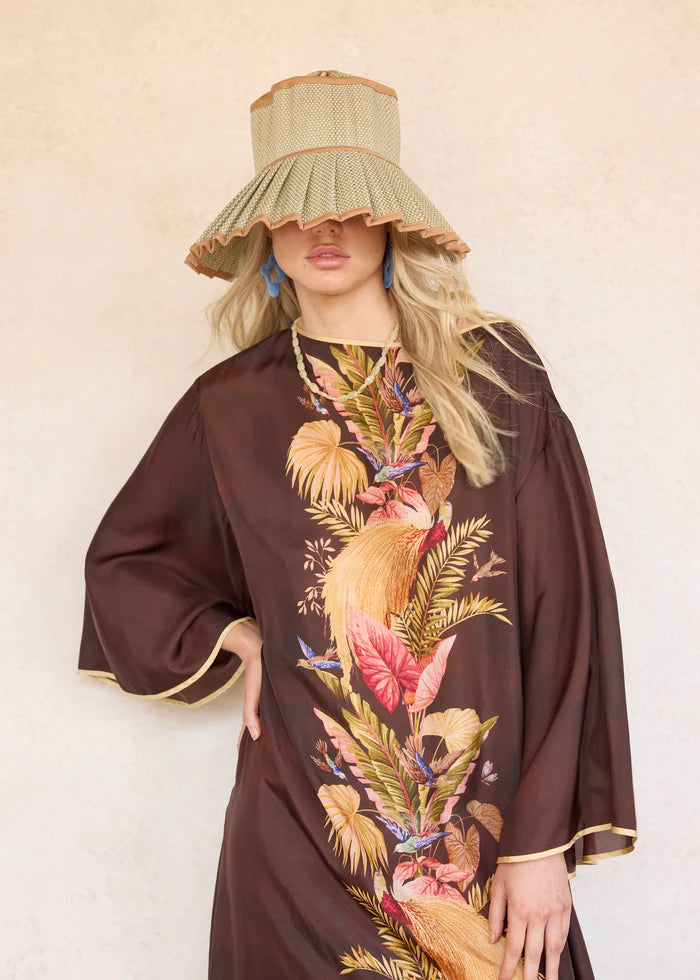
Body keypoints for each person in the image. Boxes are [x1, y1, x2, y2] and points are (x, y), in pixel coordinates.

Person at [77, 69, 638, 980]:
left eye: (348, 204)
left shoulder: (496, 376)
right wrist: (237, 635)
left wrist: (540, 844)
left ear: (393, 221)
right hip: (296, 836)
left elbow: (566, 613)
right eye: (296, 209)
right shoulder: (230, 405)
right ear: (265, 231)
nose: (323, 229)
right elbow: (127, 562)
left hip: (482, 843)